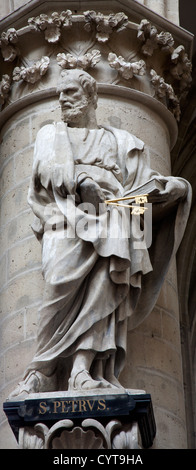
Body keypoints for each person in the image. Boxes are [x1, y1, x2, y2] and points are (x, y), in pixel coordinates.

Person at [9, 69, 191, 397]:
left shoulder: (121, 142)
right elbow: (46, 169)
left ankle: (82, 368)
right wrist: (81, 183)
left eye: (71, 94)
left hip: (114, 220)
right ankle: (43, 367)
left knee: (106, 288)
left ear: (92, 98)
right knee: (58, 290)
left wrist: (171, 187)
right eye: (60, 94)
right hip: (67, 219)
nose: (63, 100)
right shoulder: (52, 134)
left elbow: (138, 186)